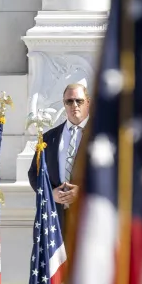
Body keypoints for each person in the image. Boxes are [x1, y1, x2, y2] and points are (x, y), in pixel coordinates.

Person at [27, 81, 89, 220]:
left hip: (87, 217)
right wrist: (49, 193)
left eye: (79, 101)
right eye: (69, 101)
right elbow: (34, 173)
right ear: (64, 103)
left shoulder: (99, 136)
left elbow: (112, 175)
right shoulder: (49, 138)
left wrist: (82, 192)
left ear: (88, 102)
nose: (74, 105)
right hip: (56, 217)